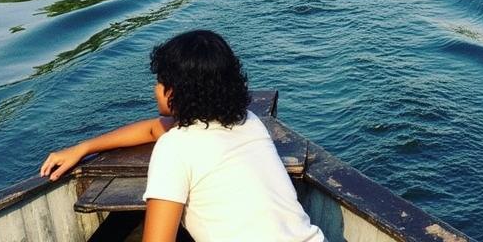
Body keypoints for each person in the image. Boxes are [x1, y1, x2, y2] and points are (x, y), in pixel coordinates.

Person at [40, 29, 324, 242]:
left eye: (160, 81)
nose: (155, 88)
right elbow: (154, 128)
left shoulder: (175, 148)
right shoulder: (247, 121)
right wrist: (84, 147)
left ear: (174, 92)